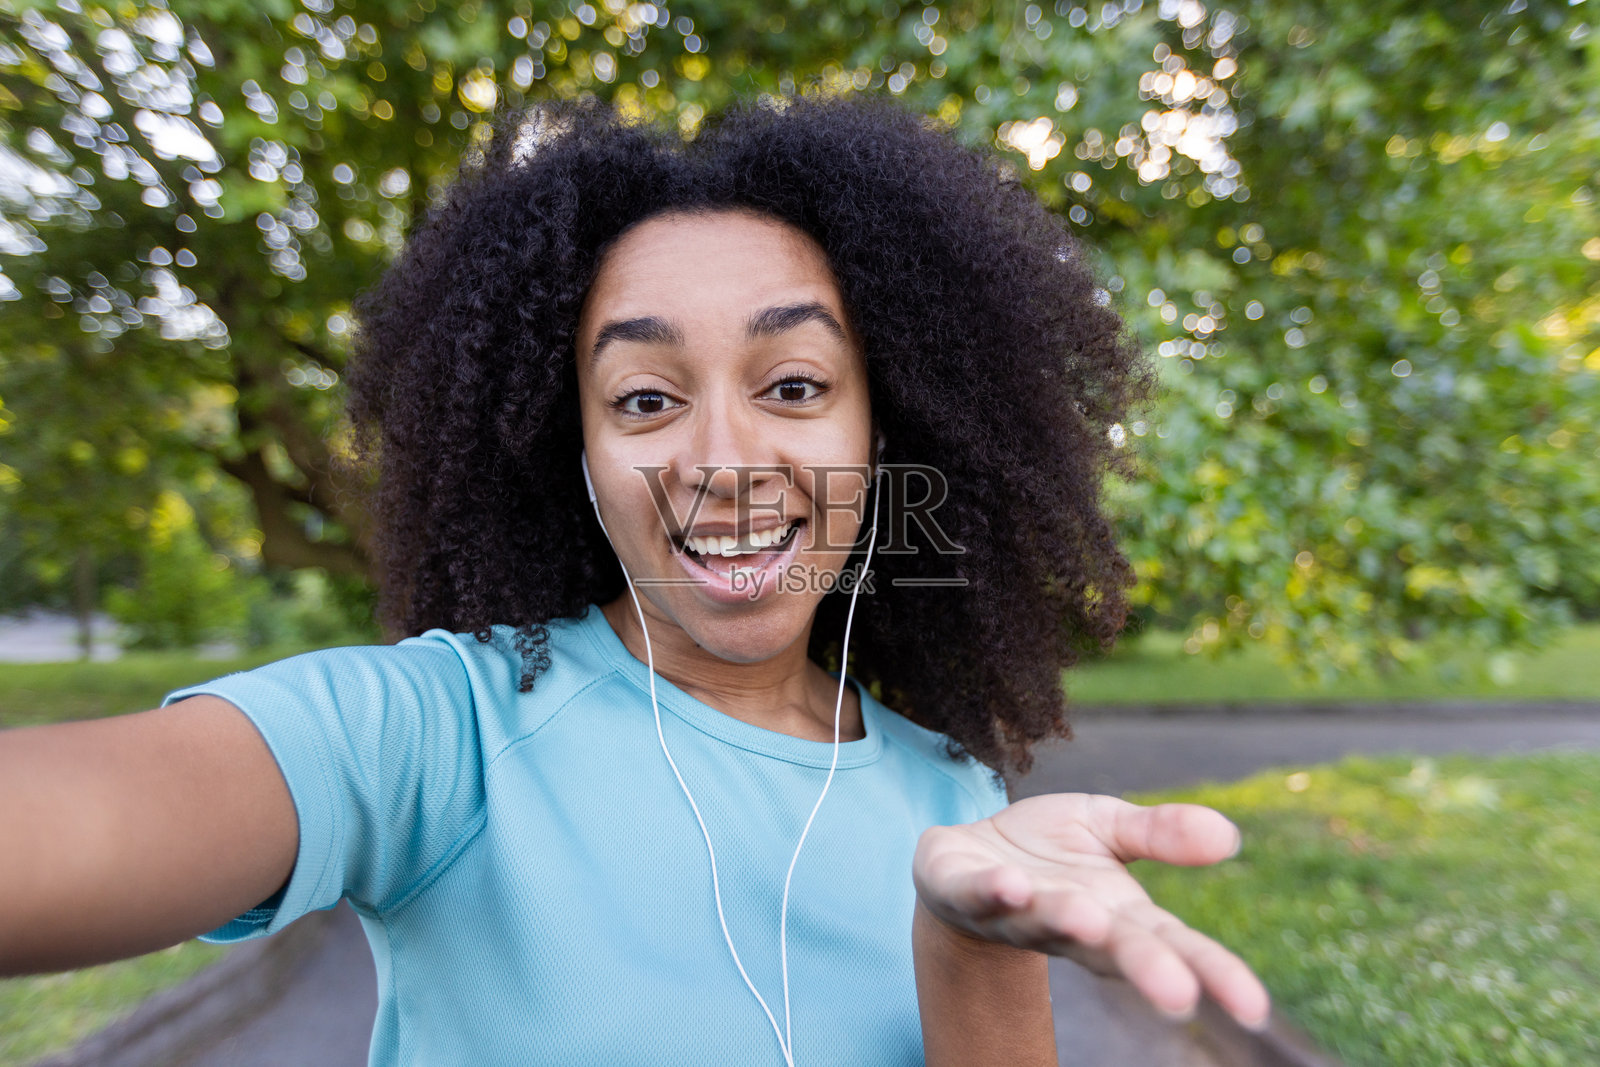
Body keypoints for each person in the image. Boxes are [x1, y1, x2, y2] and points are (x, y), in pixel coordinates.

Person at [0, 93, 1270, 1065]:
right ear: (582, 456)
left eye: (792, 386)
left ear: (885, 433)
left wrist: (975, 945)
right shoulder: (439, 738)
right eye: (647, 398)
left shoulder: (960, 799)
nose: (722, 460)